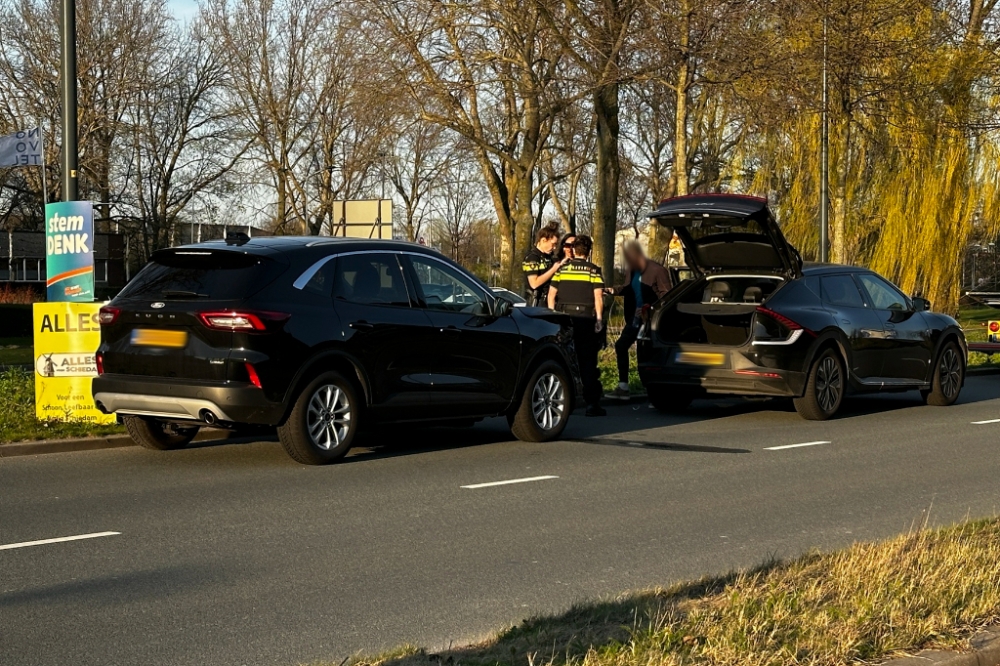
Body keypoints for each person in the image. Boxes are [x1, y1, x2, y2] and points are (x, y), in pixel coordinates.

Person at [605, 240, 673, 400]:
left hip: (649, 319)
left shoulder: (658, 270)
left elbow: (668, 296)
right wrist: (612, 290)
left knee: (645, 352)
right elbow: (628, 289)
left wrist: (650, 308)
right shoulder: (631, 271)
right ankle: (624, 387)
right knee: (622, 346)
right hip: (633, 318)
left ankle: (652, 392)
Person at [548, 235, 606, 417]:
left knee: (563, 360)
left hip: (564, 318)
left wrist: (554, 316)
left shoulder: (562, 269)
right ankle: (591, 404)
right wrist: (599, 320)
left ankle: (563, 401)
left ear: (574, 250)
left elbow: (551, 296)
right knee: (587, 361)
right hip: (585, 319)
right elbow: (598, 298)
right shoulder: (593, 270)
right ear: (589, 252)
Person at [522, 224, 567, 307]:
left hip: (550, 300)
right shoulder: (532, 257)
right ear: (543, 240)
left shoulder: (550, 257)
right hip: (537, 302)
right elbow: (534, 283)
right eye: (553, 244)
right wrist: (553, 269)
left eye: (556, 245)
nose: (554, 248)